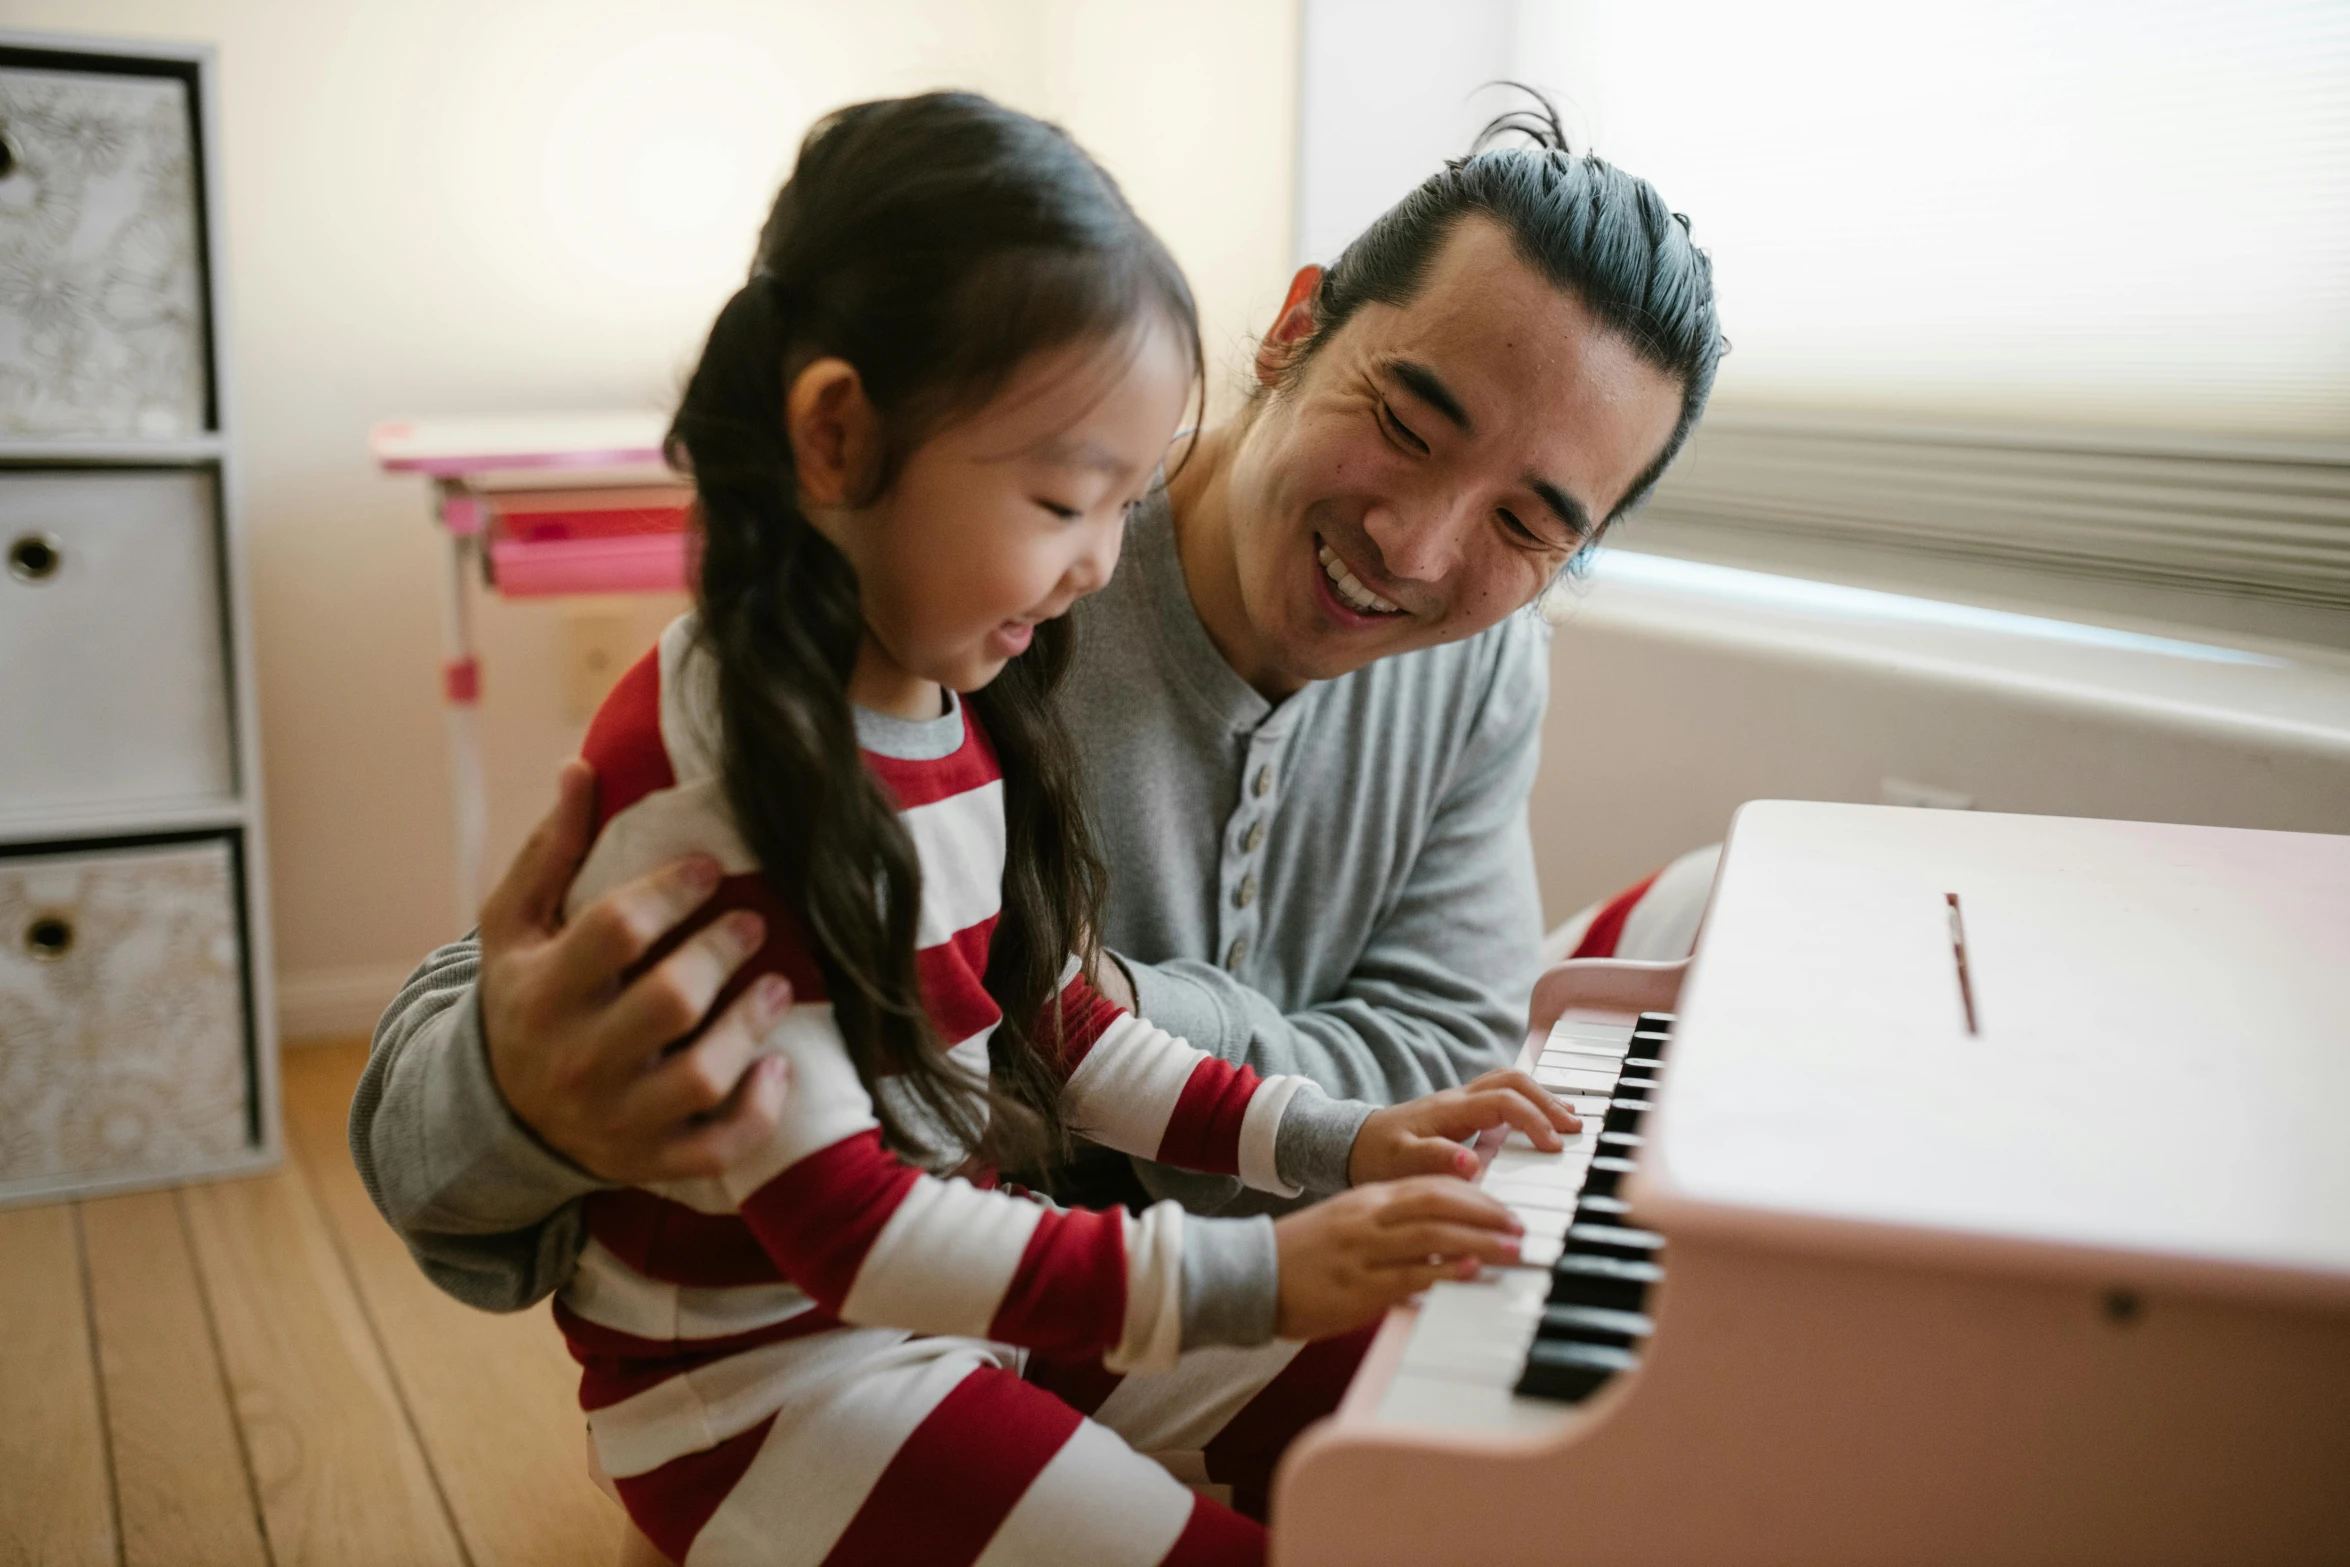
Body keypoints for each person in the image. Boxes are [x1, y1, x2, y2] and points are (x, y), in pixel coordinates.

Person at [353, 94, 1720, 1322]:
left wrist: (1055, 1000)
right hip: (954, 1323)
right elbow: (447, 1099)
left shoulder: (1483, 664)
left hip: (1248, 1285)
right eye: (1410, 425)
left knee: (1721, 914)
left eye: (1530, 523)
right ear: (1297, 324)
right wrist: (516, 1088)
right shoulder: (973, 578)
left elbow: (1439, 1050)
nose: (1415, 547)